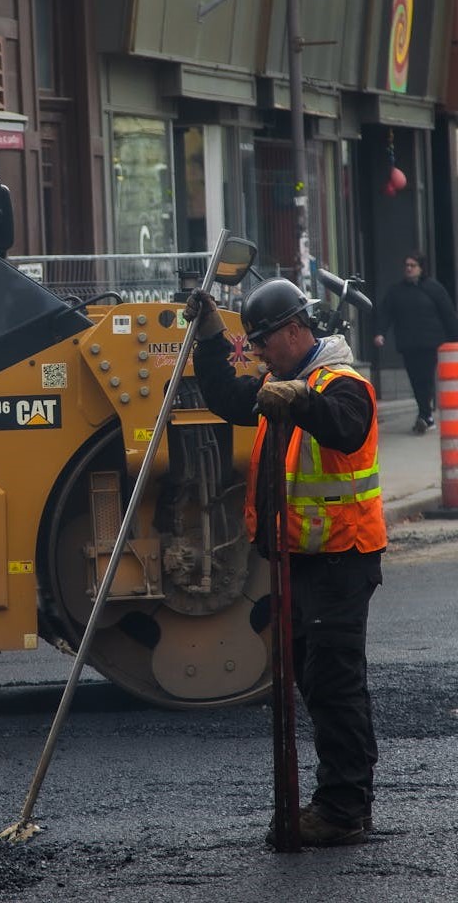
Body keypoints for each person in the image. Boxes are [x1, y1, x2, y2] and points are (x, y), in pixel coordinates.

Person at [185, 279, 384, 847]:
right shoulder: (283, 380)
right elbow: (227, 396)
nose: (259, 353)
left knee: (334, 684)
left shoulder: (342, 385)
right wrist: (210, 337)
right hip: (301, 559)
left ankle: (343, 809)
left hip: (341, 560)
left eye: (264, 341)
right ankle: (342, 803)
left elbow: (344, 427)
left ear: (295, 331)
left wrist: (298, 400)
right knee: (316, 681)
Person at [373, 252, 458, 433]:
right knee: (415, 379)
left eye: (413, 265)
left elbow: (448, 313)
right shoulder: (397, 291)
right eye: (407, 266)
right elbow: (386, 313)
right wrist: (381, 333)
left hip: (430, 343)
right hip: (408, 344)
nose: (409, 269)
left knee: (426, 379)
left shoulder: (434, 288)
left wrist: (454, 338)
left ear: (421, 268)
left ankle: (424, 415)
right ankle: (425, 415)